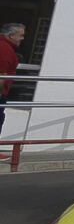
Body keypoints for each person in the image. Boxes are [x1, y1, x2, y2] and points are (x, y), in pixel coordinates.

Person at [0, 23, 25, 158]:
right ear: (11, 35)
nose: (22, 38)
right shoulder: (5, 49)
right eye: (20, 35)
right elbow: (1, 73)